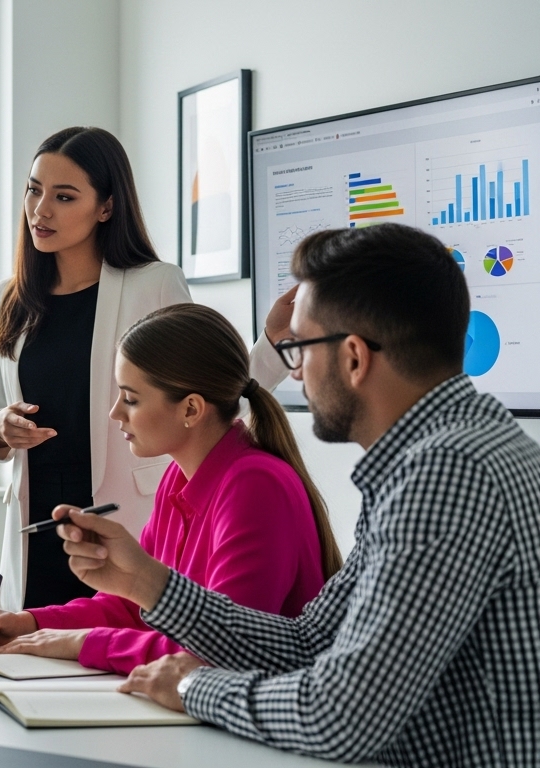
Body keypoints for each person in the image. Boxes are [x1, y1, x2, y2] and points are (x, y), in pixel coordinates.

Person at [58, 223, 540, 766]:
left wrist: (195, 688)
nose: (297, 371)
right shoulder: (448, 454)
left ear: (354, 358)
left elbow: (343, 716)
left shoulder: (447, 475)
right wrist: (145, 581)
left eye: (302, 348)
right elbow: (311, 642)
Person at [0, 126, 291, 610]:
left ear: (106, 206)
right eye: (34, 190)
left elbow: (210, 400)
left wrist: (270, 348)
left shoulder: (154, 285)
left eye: (64, 196)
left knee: (119, 655)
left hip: (128, 519)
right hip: (38, 523)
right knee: (33, 658)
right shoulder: (6, 297)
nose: (40, 210)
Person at [0, 303, 341, 675]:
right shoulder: (179, 476)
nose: (115, 413)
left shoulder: (256, 487)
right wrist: (30, 622)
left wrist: (82, 643)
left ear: (191, 410)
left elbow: (222, 650)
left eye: (131, 398)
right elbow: (135, 605)